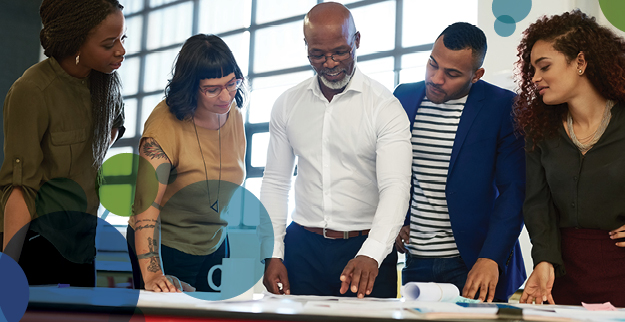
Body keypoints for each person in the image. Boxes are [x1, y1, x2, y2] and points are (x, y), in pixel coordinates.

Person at [260, 2, 412, 299]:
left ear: (356, 41)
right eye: (317, 54)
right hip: (302, 247)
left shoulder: (384, 107)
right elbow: (276, 182)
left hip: (365, 246)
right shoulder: (287, 104)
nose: (329, 63)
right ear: (306, 48)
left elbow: (395, 187)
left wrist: (372, 252)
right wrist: (273, 252)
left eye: (340, 52)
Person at [514, 10, 625, 307]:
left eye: (544, 66)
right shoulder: (540, 130)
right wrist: (544, 259)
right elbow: (537, 202)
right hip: (563, 272)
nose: (535, 78)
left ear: (581, 62)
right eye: (532, 69)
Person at [393, 22, 526, 302]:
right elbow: (392, 171)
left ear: (476, 75)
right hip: (416, 259)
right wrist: (396, 220)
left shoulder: (503, 107)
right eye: (432, 64)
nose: (436, 78)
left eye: (452, 74)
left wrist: (491, 257)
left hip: (472, 260)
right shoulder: (403, 97)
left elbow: (514, 191)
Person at [0, 0, 126, 286]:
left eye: (122, 38)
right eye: (109, 44)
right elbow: (20, 189)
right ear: (76, 43)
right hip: (36, 240)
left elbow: (112, 129)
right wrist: (7, 271)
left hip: (84, 244)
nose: (121, 50)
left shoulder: (108, 85)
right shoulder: (31, 91)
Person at [127, 34, 247, 293]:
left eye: (232, 83)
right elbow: (145, 208)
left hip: (214, 245)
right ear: (191, 87)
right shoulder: (164, 126)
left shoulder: (232, 114)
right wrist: (152, 273)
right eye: (212, 89)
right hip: (166, 249)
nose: (226, 96)